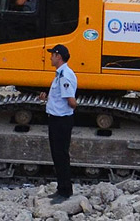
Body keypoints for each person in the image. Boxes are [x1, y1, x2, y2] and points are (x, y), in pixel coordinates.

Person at [45, 44, 78, 203]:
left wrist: (68, 104)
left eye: (52, 54)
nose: (50, 57)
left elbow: (71, 101)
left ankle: (65, 192)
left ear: (58, 56)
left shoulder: (64, 75)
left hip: (61, 121)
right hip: (56, 119)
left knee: (61, 156)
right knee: (57, 156)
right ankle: (61, 188)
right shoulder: (60, 74)